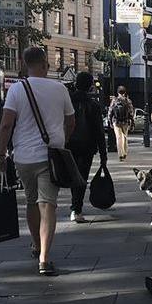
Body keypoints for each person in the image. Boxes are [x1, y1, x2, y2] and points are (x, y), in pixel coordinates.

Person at [0, 47, 75, 276]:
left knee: (31, 202)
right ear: (44, 64)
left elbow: (6, 125)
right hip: (50, 156)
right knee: (47, 205)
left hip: (23, 158)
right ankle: (44, 258)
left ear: (24, 64)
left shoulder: (16, 89)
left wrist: (1, 154)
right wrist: (62, 140)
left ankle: (37, 245)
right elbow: (71, 122)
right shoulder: (59, 88)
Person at [66, 72, 107, 223]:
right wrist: (103, 154)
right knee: (82, 177)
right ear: (90, 86)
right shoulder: (93, 105)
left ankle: (73, 205)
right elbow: (99, 131)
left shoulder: (68, 101)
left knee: (71, 175)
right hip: (87, 147)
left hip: (68, 145)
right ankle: (76, 209)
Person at [108, 86, 134, 161]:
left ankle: (120, 154)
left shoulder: (114, 100)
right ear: (125, 92)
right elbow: (131, 112)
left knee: (118, 138)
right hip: (125, 121)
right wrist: (132, 121)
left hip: (116, 121)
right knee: (125, 137)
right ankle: (125, 152)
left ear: (117, 92)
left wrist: (110, 121)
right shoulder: (128, 100)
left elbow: (110, 111)